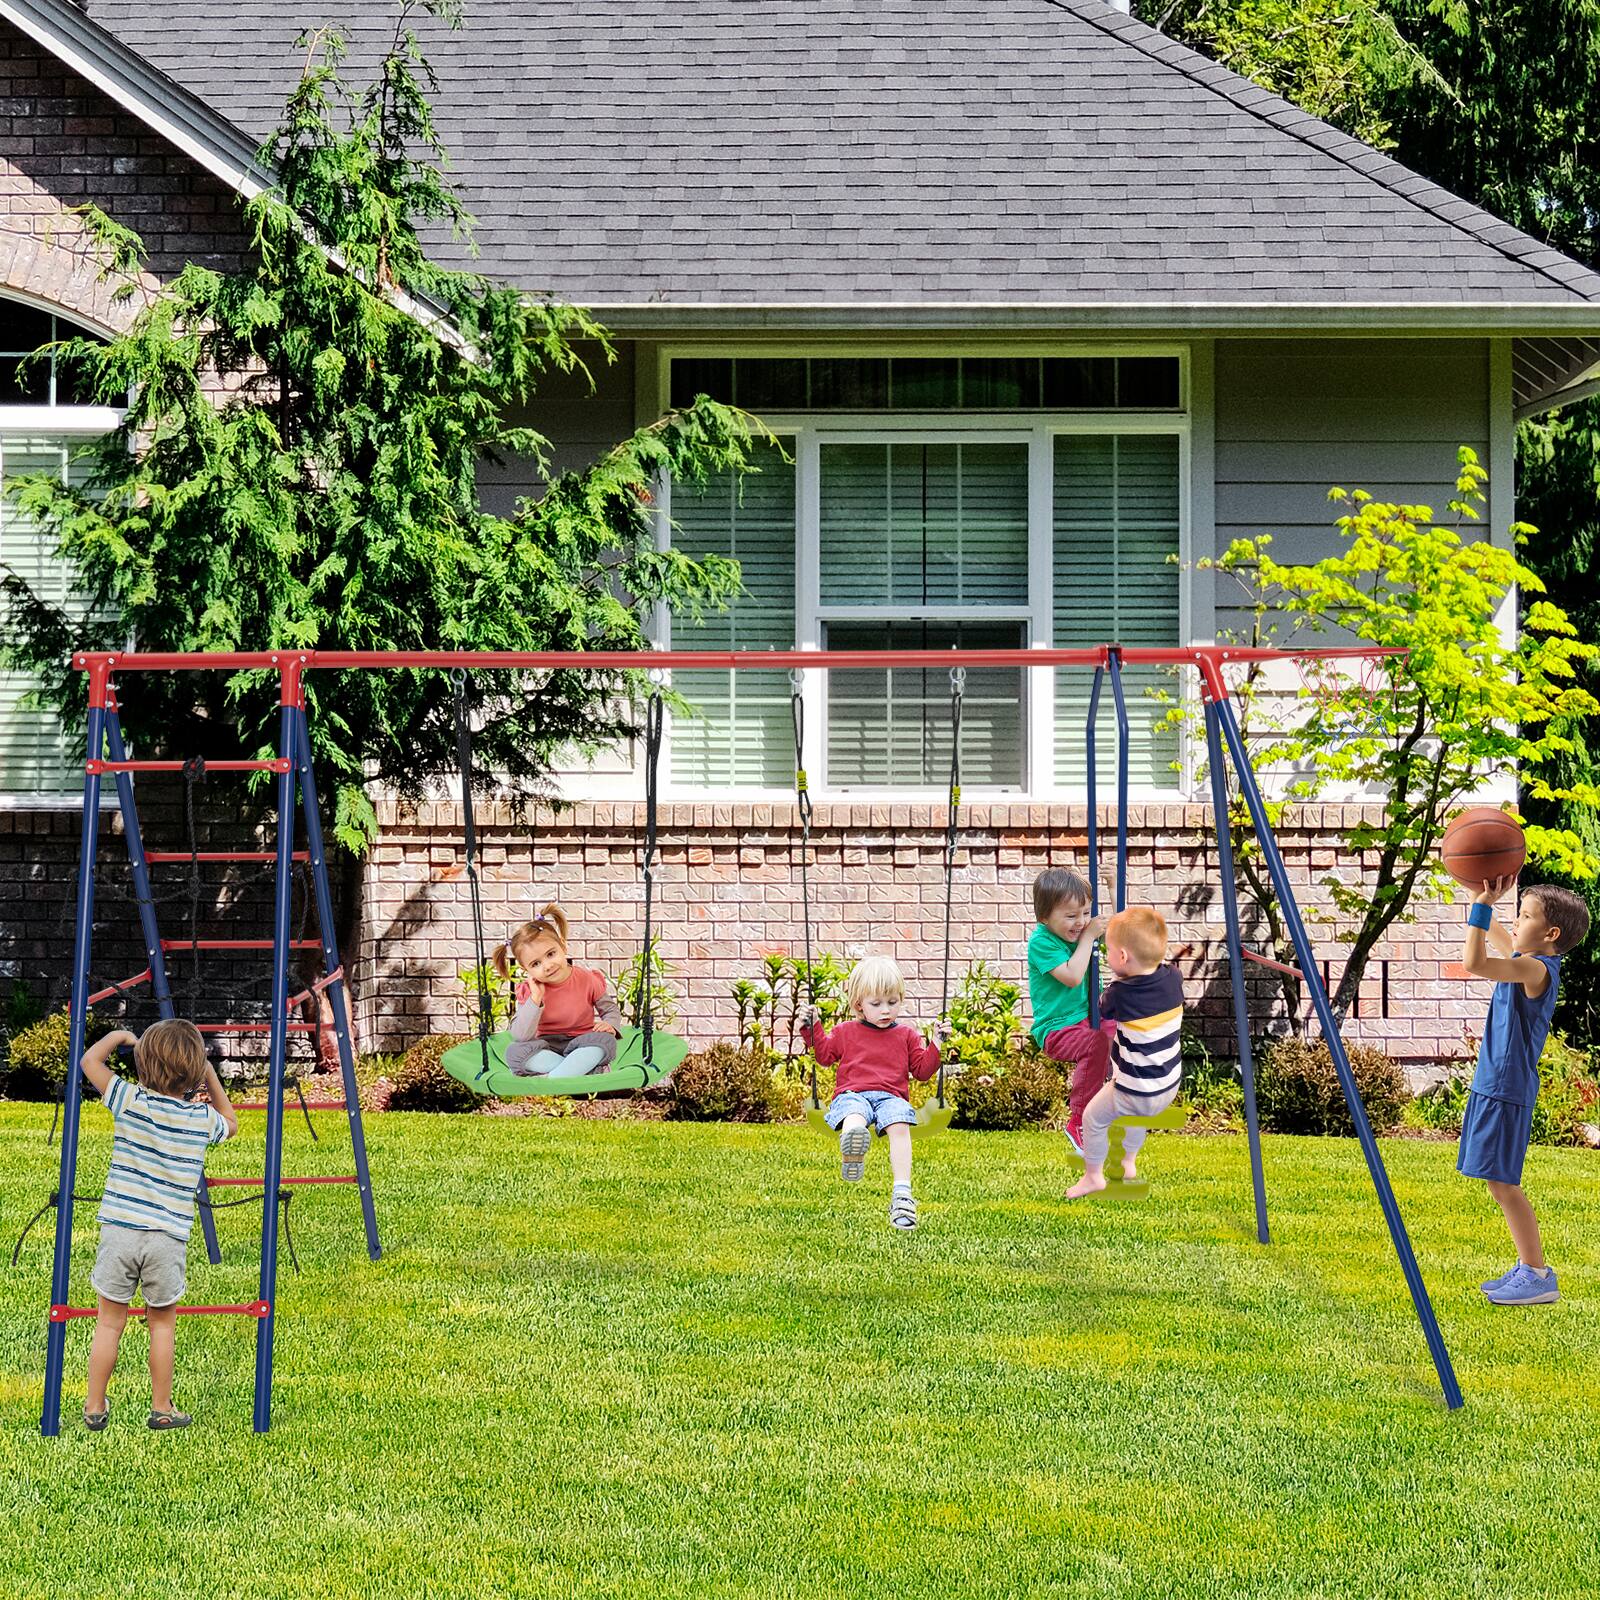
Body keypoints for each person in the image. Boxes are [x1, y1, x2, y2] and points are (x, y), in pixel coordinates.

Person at [78, 1018, 237, 1431]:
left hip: (121, 1230)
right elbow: (231, 1123)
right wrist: (209, 1072)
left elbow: (90, 1061)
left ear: (143, 1063)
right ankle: (162, 1407)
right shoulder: (201, 1121)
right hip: (167, 1238)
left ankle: (95, 1406)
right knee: (162, 1325)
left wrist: (120, 1037)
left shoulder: (129, 1101)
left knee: (109, 1322)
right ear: (194, 1071)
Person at [1458, 876, 1590, 1306]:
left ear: (1551, 934)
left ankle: (1536, 1273)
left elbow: (1475, 962)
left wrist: (1481, 910)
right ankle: (1528, 1267)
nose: (1517, 922)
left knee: (1503, 1183)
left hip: (1506, 1087)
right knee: (1497, 1181)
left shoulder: (1535, 969)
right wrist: (1479, 898)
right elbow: (1500, 939)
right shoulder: (1527, 957)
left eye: (1526, 916)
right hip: (1494, 1083)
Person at [801, 956, 943, 1230]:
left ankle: (902, 1194)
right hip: (854, 1093)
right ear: (859, 1005)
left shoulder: (906, 1035)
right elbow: (825, 1056)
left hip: (891, 1098)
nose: (885, 1010)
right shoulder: (846, 1031)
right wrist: (812, 1027)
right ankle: (853, 1145)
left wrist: (937, 1042)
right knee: (854, 1114)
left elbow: (922, 1071)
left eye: (892, 1002)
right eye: (876, 1004)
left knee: (899, 1124)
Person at [1064, 907, 1183, 1200]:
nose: (1106, 957)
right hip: (1167, 1085)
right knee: (1135, 1117)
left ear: (1124, 958)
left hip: (1135, 1090)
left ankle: (1093, 1177)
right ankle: (1128, 1163)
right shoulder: (1173, 977)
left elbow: (1102, 1009)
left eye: (1109, 952)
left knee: (1093, 1118)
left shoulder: (1120, 993)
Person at [1027, 867, 1111, 1155]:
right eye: (1071, 916)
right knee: (1098, 1042)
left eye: (1085, 913)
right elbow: (1073, 976)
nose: (1081, 923)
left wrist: (1113, 886)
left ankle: (1119, 1096)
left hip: (1089, 1018)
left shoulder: (1082, 933)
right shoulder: (1042, 942)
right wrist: (1088, 938)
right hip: (1058, 1029)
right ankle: (1079, 1121)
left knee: (1122, 1023)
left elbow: (1121, 937)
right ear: (1044, 918)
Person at [493, 904, 624, 1077]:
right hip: (547, 1047)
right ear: (527, 971)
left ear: (563, 946)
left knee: (605, 1040)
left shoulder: (587, 979)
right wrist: (536, 999)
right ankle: (582, 1071)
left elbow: (610, 1009)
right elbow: (520, 1035)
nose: (547, 966)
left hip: (582, 1043)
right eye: (535, 964)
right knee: (514, 1053)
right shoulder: (530, 991)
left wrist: (610, 1025)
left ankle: (554, 1078)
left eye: (550, 954)